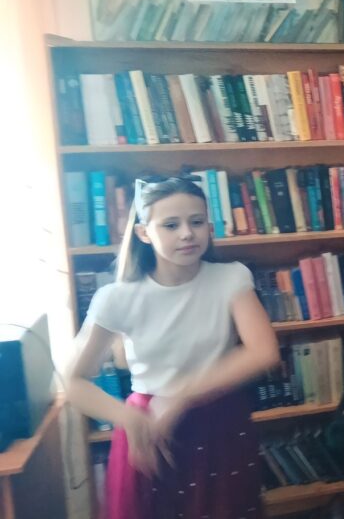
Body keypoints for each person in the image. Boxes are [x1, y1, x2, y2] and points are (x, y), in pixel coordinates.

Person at [66, 177, 281, 519]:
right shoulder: (116, 297)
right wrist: (127, 417)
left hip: (218, 419)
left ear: (210, 227)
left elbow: (263, 352)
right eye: (170, 225)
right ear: (144, 233)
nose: (187, 234)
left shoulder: (231, 277)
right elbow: (72, 381)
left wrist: (181, 397)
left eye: (196, 222)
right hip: (149, 426)